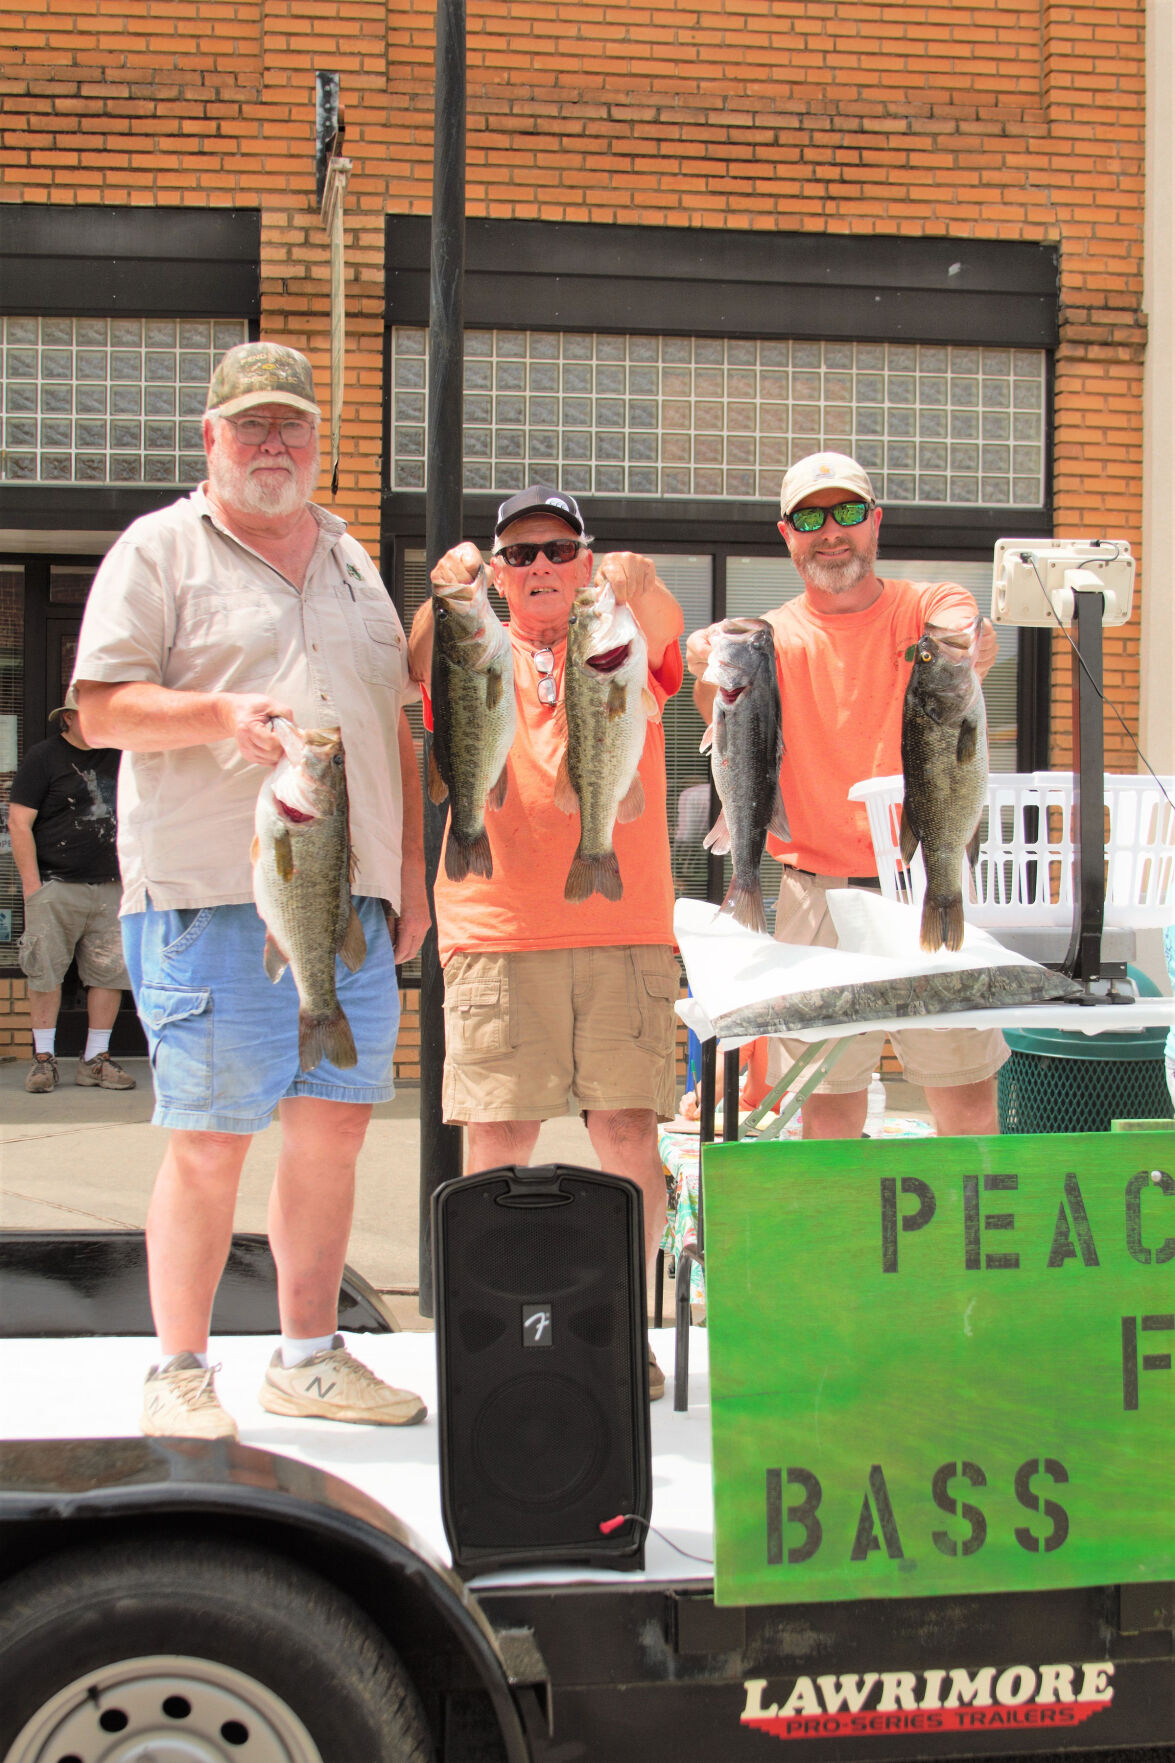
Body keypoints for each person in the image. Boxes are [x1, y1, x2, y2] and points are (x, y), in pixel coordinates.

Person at [72, 341, 430, 1441]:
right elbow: (97, 711)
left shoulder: (354, 560)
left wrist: (409, 873)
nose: (273, 445)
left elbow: (393, 734)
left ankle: (309, 1357)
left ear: (318, 441)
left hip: (352, 900)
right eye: (250, 426)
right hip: (213, 894)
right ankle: (178, 1369)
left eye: (292, 427)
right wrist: (218, 715)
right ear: (210, 438)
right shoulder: (160, 550)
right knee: (211, 1135)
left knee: (333, 1134)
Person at [409, 484, 685, 1398]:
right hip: (495, 927)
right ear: (495, 571)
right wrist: (441, 599)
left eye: (560, 551)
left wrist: (637, 586)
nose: (540, 568)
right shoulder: (468, 637)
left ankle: (617, 1326)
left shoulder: (624, 640)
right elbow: (421, 662)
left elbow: (663, 621)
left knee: (627, 1132)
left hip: (626, 925)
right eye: (519, 553)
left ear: (586, 562)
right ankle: (504, 1328)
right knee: (498, 1137)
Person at [687, 450, 1006, 1141]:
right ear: (786, 535)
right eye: (809, 516)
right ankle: (850, 1248)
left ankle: (967, 1246)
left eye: (847, 512)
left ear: (875, 523)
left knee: (966, 1098)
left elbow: (965, 625)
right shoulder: (770, 637)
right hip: (812, 894)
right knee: (828, 1104)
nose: (830, 530)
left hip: (928, 877)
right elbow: (714, 701)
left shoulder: (922, 606)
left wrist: (970, 643)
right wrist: (706, 664)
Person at [10, 688, 136, 1094]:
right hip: (55, 885)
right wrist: (33, 888)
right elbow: (18, 822)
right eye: (89, 713)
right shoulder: (43, 757)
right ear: (68, 717)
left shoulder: (121, 754)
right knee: (45, 970)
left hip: (111, 886)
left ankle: (95, 1060)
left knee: (109, 974)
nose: (98, 719)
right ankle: (44, 1060)